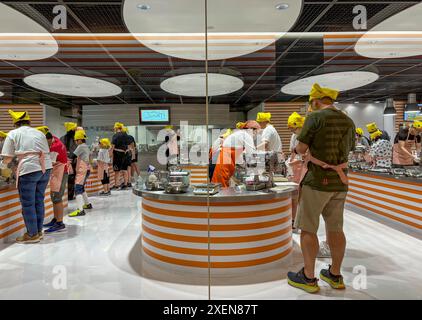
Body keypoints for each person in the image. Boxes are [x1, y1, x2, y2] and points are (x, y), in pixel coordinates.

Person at [287, 83, 355, 293]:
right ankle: (335, 274)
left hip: (317, 181)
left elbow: (300, 148)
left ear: (315, 101)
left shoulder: (315, 118)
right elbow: (350, 147)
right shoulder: (348, 120)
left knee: (308, 228)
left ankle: (308, 278)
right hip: (340, 182)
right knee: (335, 229)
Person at [1, 110, 53, 243]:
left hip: (29, 169)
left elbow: (7, 158)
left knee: (28, 204)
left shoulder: (13, 133)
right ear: (29, 122)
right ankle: (38, 232)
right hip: (45, 168)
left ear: (15, 124)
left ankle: (32, 234)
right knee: (38, 200)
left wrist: (2, 165)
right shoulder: (39, 132)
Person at [34, 127, 69, 233]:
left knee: (57, 197)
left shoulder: (55, 146)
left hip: (60, 172)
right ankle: (55, 219)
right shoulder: (54, 138)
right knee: (54, 197)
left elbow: (51, 163)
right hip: (59, 172)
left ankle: (59, 223)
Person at [211, 121, 259, 188]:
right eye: (257, 132)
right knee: (221, 187)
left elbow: (240, 158)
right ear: (253, 129)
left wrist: (244, 166)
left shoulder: (239, 134)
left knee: (221, 186)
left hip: (224, 162)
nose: (256, 135)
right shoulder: (247, 135)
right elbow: (252, 154)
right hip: (224, 163)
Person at [286, 112, 305, 233]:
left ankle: (298, 222)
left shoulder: (306, 136)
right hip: (295, 169)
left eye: (294, 129)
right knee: (294, 196)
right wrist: (289, 162)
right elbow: (293, 152)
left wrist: (297, 162)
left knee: (299, 198)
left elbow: (306, 155)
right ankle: (293, 221)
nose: (293, 132)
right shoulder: (294, 136)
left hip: (303, 168)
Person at [68, 130, 93, 217]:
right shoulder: (86, 146)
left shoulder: (81, 146)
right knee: (81, 188)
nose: (75, 142)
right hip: (87, 169)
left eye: (76, 140)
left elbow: (72, 155)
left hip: (82, 170)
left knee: (77, 188)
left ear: (79, 140)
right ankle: (87, 204)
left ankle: (80, 210)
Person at [60, 122, 78, 200]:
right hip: (74, 161)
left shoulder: (62, 138)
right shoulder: (76, 139)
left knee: (66, 179)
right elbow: (77, 151)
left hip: (65, 162)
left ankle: (66, 195)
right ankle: (70, 195)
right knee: (72, 179)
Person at [111, 122, 130, 190]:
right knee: (125, 170)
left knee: (117, 170)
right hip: (126, 154)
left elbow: (112, 146)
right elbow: (129, 145)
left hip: (118, 154)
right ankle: (125, 184)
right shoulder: (126, 135)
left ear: (116, 128)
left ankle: (116, 185)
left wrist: (110, 154)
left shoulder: (115, 135)